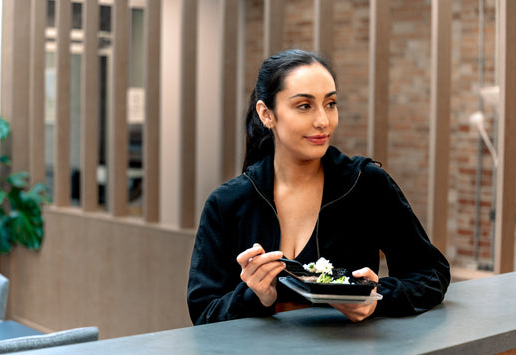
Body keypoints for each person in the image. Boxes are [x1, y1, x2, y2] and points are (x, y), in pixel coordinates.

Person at [187, 49, 450, 325]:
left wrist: (376, 298)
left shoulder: (366, 185)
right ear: (267, 114)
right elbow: (203, 313)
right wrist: (254, 295)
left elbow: (432, 274)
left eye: (331, 104)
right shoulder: (227, 203)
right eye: (304, 106)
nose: (323, 121)